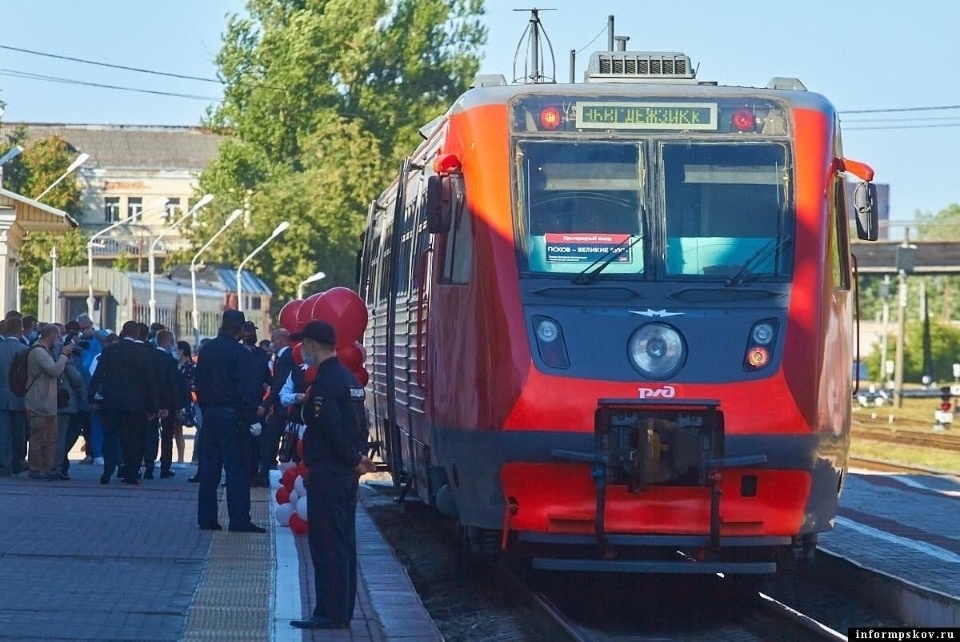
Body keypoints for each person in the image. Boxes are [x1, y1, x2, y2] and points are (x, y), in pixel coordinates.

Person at [289, 321, 375, 631]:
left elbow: (330, 429)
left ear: (313, 344)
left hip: (330, 473)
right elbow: (360, 425)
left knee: (327, 544)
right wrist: (359, 457)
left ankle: (329, 611)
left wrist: (352, 459)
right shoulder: (349, 379)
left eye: (304, 345)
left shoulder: (326, 382)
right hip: (344, 475)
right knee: (343, 543)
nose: (302, 351)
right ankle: (342, 609)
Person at [194, 310, 265, 533]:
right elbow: (245, 391)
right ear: (240, 329)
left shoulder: (207, 350)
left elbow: (199, 384)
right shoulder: (241, 353)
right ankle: (239, 519)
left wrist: (206, 410)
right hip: (234, 418)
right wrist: (252, 419)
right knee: (237, 470)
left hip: (211, 415)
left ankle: (207, 519)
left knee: (209, 470)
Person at [89, 321, 159, 485]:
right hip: (137, 405)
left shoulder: (109, 352)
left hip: (112, 403)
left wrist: (92, 397)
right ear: (136, 334)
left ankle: (108, 470)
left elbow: (98, 376)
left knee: (111, 437)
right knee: (135, 439)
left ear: (122, 332)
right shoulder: (143, 354)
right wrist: (152, 406)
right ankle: (131, 473)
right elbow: (150, 382)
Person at [24, 324, 73, 480]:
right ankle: (36, 469)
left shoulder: (45, 351)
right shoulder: (38, 352)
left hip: (48, 403)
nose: (59, 340)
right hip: (39, 403)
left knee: (51, 438)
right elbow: (54, 370)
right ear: (52, 336)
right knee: (38, 437)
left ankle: (46, 469)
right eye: (57, 337)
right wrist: (64, 355)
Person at [256, 328, 293, 486]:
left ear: (280, 340)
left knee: (271, 440)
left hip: (283, 408)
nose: (271, 343)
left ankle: (264, 474)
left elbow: (279, 384)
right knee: (272, 441)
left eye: (273, 339)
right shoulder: (282, 357)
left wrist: (266, 404)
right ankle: (265, 473)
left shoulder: (285, 357)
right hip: (281, 407)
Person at [0, 318, 27, 476]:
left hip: (2, 397)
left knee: (3, 432)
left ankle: (4, 463)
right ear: (20, 330)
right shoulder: (24, 349)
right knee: (19, 432)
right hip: (20, 397)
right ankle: (17, 462)